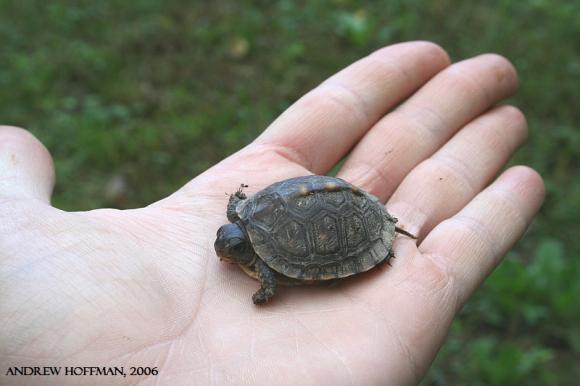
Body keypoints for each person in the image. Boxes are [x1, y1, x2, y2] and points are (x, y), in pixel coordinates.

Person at [0, 41, 544, 385]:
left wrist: (264, 288)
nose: (225, 250)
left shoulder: (266, 261)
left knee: (355, 238)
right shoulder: (244, 218)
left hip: (349, 219)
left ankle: (379, 244)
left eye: (231, 245)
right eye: (227, 240)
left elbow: (273, 283)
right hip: (322, 203)